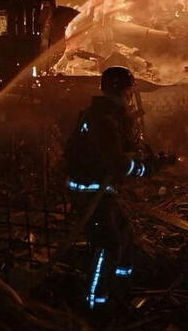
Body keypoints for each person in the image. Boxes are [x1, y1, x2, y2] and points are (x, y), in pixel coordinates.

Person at [64, 66, 157, 311]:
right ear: (120, 90)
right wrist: (143, 169)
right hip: (90, 190)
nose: (129, 97)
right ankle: (96, 304)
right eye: (128, 91)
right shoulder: (103, 119)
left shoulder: (106, 115)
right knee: (109, 243)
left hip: (99, 190)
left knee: (125, 235)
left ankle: (121, 290)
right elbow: (116, 162)